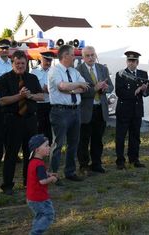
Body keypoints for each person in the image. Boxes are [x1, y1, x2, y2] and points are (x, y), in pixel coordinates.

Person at [0, 50, 44, 195]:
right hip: (13, 120)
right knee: (11, 154)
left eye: (23, 63)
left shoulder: (32, 78)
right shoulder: (4, 79)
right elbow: (2, 100)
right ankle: (7, 185)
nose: (20, 65)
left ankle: (28, 181)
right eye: (17, 63)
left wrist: (30, 95)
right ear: (12, 63)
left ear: (26, 64)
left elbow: (42, 96)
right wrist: (20, 96)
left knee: (30, 153)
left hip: (30, 120)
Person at [48, 45, 89, 184]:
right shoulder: (55, 71)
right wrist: (75, 86)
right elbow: (62, 86)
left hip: (75, 110)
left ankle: (70, 172)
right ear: (65, 56)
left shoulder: (73, 71)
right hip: (60, 111)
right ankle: (53, 175)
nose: (74, 57)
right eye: (72, 55)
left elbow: (85, 86)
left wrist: (72, 90)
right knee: (58, 144)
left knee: (73, 143)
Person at [76, 46, 114, 174]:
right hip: (86, 109)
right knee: (84, 139)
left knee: (98, 139)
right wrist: (95, 89)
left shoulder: (102, 68)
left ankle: (96, 163)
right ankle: (84, 165)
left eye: (92, 55)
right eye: (87, 55)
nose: (91, 57)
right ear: (83, 57)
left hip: (100, 108)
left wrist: (105, 88)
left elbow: (111, 87)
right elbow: (79, 92)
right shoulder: (78, 71)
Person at [115, 51, 149, 170]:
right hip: (124, 109)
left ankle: (134, 159)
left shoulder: (143, 74)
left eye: (133, 61)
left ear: (137, 62)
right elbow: (119, 92)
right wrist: (135, 91)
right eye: (129, 61)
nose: (131, 63)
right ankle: (120, 160)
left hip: (136, 109)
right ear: (126, 61)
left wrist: (144, 89)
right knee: (121, 136)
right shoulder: (120, 74)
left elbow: (147, 92)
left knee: (135, 136)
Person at [27, 134, 57, 235]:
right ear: (37, 150)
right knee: (48, 214)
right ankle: (35, 233)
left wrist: (48, 174)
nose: (49, 147)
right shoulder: (39, 164)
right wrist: (52, 178)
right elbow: (42, 181)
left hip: (32, 197)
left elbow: (37, 175)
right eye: (46, 145)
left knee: (40, 215)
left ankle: (35, 231)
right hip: (39, 197)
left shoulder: (33, 161)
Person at [31, 51, 55, 144]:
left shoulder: (54, 71)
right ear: (41, 59)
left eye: (50, 60)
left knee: (49, 126)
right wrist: (41, 89)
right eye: (46, 60)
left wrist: (49, 89)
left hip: (50, 103)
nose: (48, 62)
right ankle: (38, 147)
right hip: (38, 104)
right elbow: (31, 87)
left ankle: (48, 146)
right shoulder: (34, 71)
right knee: (39, 127)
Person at [0, 39, 12, 168]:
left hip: (12, 100)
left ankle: (11, 154)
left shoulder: (13, 63)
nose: (4, 50)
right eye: (2, 48)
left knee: (10, 128)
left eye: (6, 48)